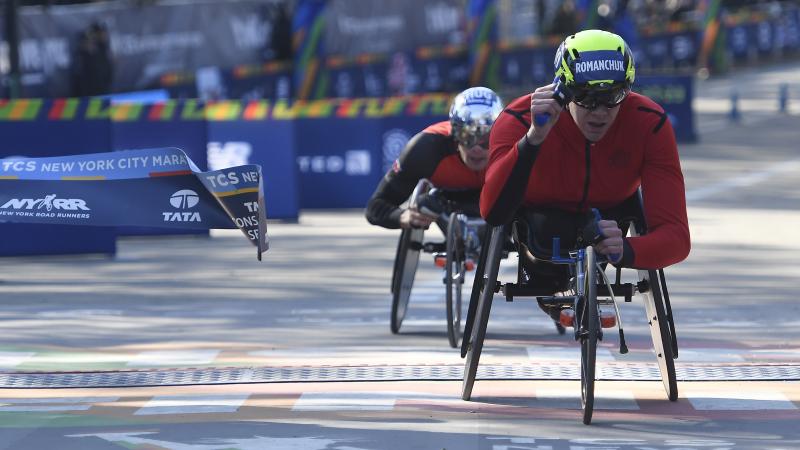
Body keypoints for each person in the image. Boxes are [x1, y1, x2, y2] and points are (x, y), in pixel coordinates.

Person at [480, 29, 690, 278]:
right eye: (586, 97)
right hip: (539, 224)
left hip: (611, 218)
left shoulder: (650, 123)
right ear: (563, 90)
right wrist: (534, 137)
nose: (600, 112)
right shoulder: (518, 119)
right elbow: (493, 212)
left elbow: (677, 237)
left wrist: (628, 249)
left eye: (614, 96)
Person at [365, 86, 504, 231]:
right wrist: (403, 216)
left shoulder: (515, 145)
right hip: (446, 203)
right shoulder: (426, 148)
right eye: (467, 136)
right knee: (426, 203)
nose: (476, 148)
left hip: (502, 203)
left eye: (486, 138)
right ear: (455, 134)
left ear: (501, 134)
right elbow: (375, 206)